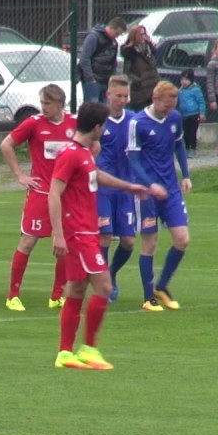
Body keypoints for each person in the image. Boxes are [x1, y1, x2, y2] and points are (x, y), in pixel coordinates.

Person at [49, 101, 161, 369]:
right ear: (97, 127)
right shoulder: (72, 154)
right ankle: (89, 349)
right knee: (104, 286)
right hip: (79, 233)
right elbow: (54, 192)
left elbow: (95, 176)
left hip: (85, 230)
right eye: (104, 126)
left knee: (76, 289)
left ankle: (65, 353)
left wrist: (129, 187)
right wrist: (58, 234)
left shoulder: (84, 152)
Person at [0, 84, 77, 311]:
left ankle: (57, 295)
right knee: (28, 241)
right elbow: (7, 144)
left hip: (66, 195)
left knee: (64, 245)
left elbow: (93, 145)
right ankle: (12, 295)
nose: (43, 108)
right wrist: (20, 175)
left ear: (60, 104)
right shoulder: (34, 123)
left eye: (48, 104)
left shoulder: (74, 123)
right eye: (42, 103)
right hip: (41, 193)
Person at [130, 80, 193, 313]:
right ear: (155, 99)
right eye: (166, 107)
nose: (169, 111)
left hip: (171, 190)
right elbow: (133, 161)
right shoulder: (138, 123)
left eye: (172, 107)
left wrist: (185, 175)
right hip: (147, 193)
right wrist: (149, 185)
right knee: (150, 243)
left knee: (182, 239)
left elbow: (179, 146)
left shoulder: (175, 118)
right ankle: (148, 298)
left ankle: (162, 286)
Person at [95, 75, 138, 303]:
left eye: (125, 96)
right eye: (118, 96)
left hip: (126, 190)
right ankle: (104, 284)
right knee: (104, 236)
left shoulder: (133, 121)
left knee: (129, 242)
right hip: (102, 189)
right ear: (108, 95)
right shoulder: (99, 122)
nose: (122, 100)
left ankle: (111, 273)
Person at [77, 17, 126, 103]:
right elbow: (84, 58)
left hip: (106, 81)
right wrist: (90, 78)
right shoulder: (93, 37)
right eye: (117, 33)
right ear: (112, 28)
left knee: (105, 109)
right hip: (93, 80)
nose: (117, 36)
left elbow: (113, 62)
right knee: (93, 108)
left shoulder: (114, 43)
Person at [120, 24, 159, 111]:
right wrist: (138, 81)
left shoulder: (148, 49)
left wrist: (150, 43)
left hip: (152, 89)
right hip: (140, 92)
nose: (143, 37)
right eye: (140, 34)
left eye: (144, 34)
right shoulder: (131, 52)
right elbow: (127, 72)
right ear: (135, 36)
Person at [176, 70, 206, 156]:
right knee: (185, 133)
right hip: (184, 115)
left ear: (191, 80)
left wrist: (202, 113)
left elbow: (201, 102)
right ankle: (186, 148)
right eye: (182, 80)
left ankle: (193, 149)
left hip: (194, 115)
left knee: (192, 132)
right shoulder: (180, 91)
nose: (183, 82)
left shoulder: (196, 90)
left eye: (186, 80)